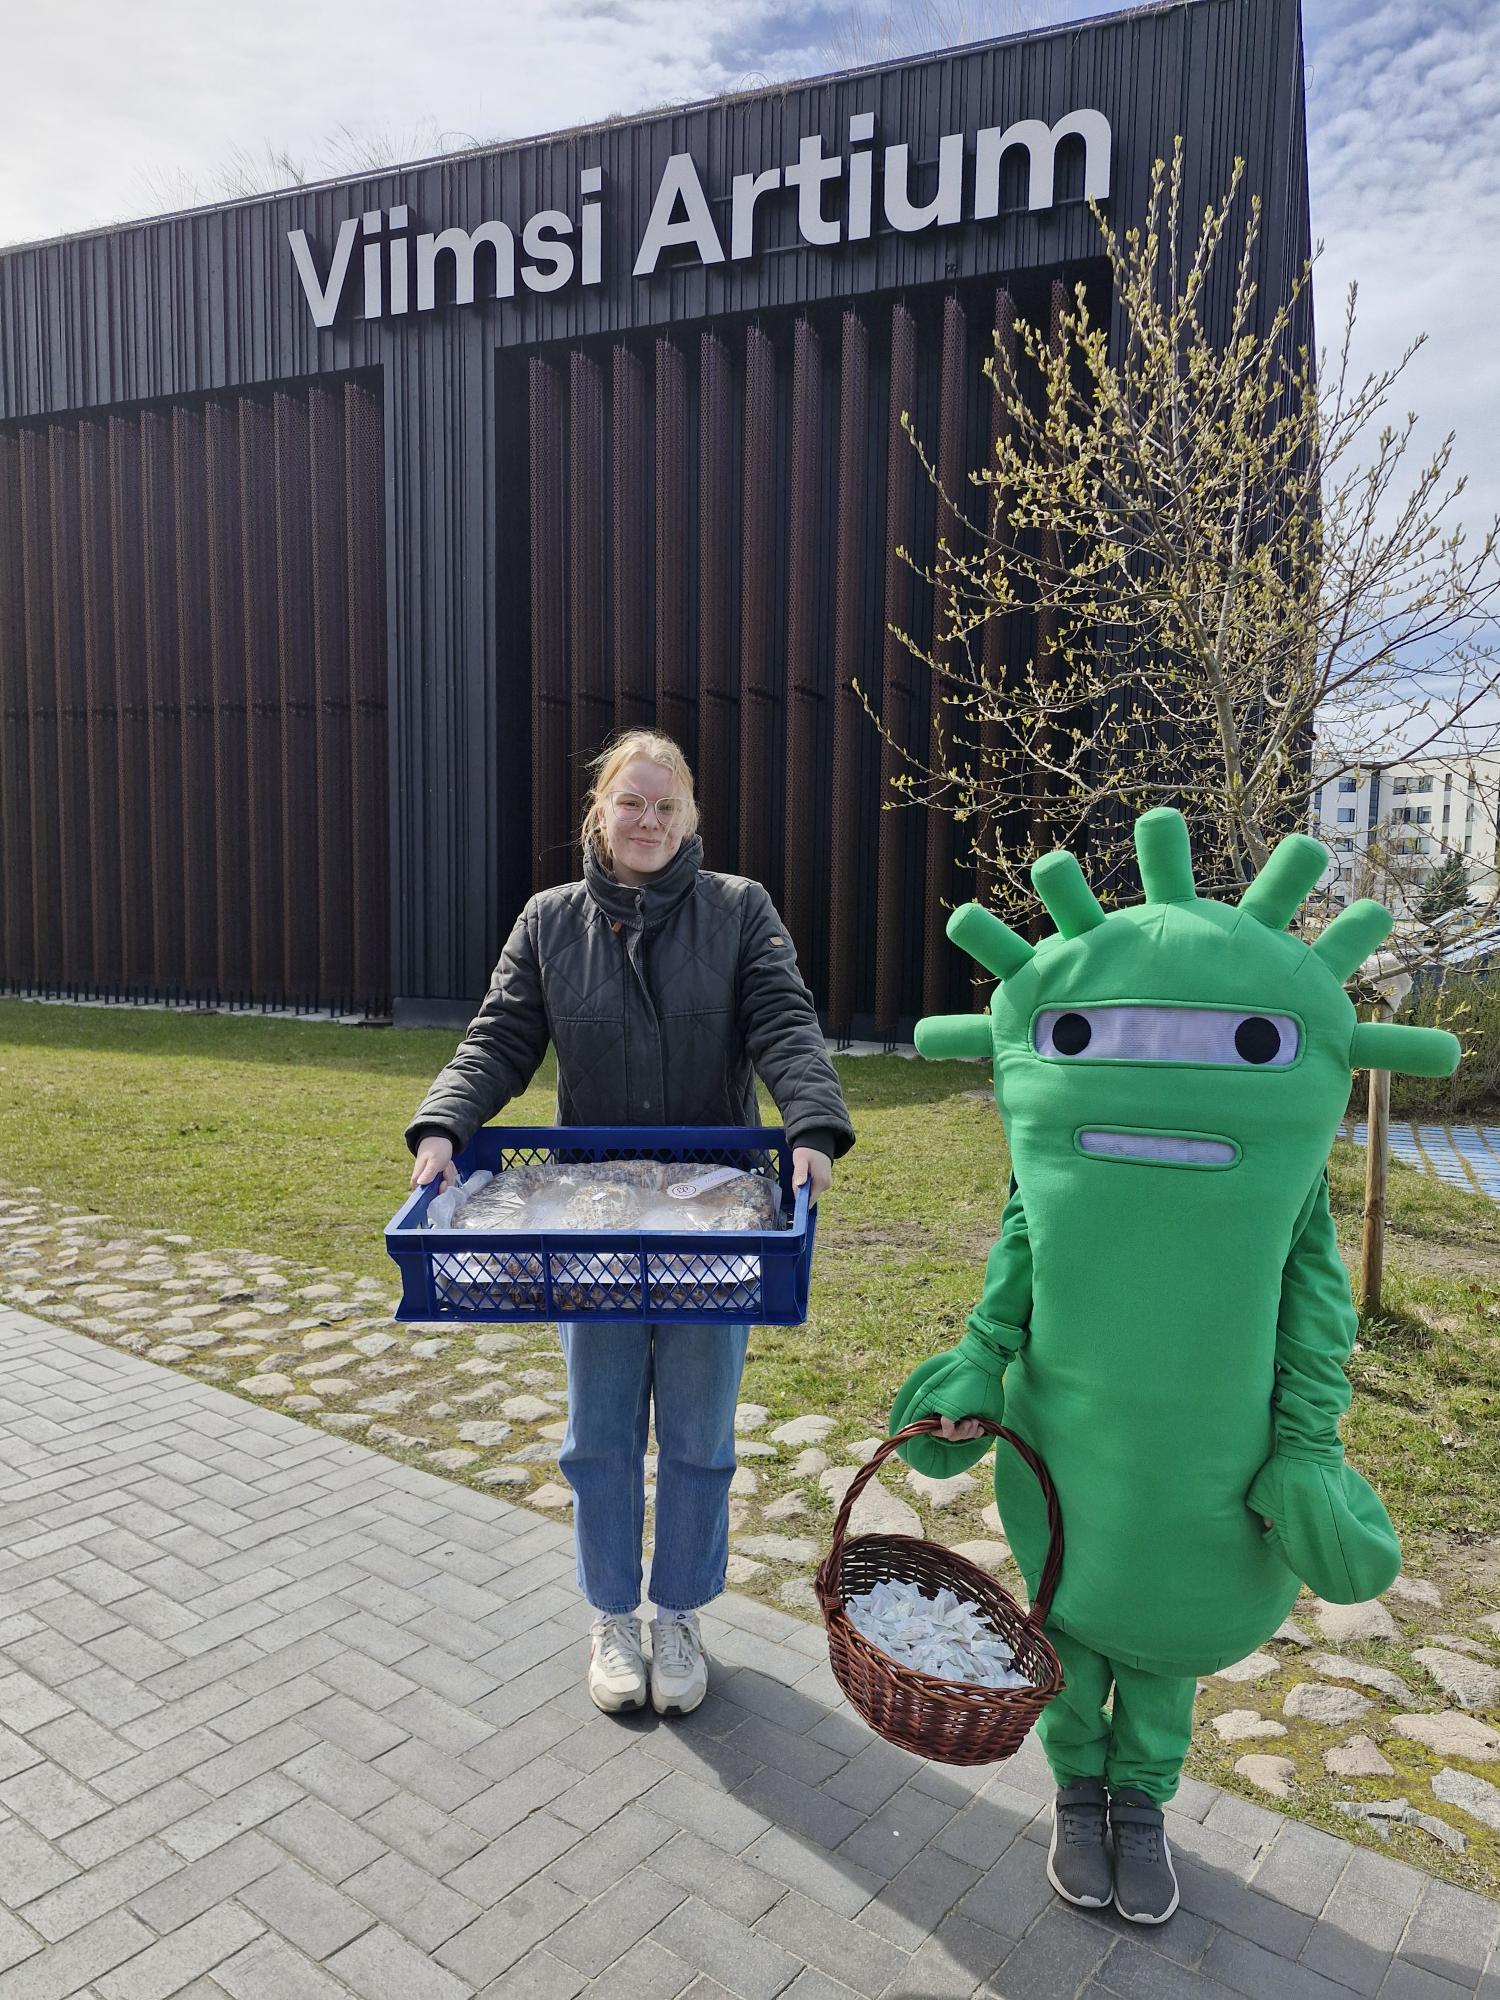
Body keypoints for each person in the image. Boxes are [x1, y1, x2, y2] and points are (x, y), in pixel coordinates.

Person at [893, 809, 1458, 1924]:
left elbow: (1314, 1306)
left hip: (1213, 1445)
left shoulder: (1287, 1188)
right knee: (1065, 1608)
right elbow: (1024, 1244)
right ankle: (1077, 1787)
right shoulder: (1050, 1166)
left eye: (1256, 1044)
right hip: (1067, 1431)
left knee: (1169, 1624)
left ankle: (1142, 1797)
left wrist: (1307, 1440)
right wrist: (979, 1355)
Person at [407, 728, 854, 1717]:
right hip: (593, 1222)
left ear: (689, 817)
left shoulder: (740, 909)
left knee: (698, 1434)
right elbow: (499, 1036)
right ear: (600, 813)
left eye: (665, 805)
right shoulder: (549, 921)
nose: (648, 820)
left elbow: (784, 1021)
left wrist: (812, 1124)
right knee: (600, 1433)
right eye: (630, 802)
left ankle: (679, 1614)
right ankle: (612, 1615)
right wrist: (444, 1123)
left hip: (719, 1219)